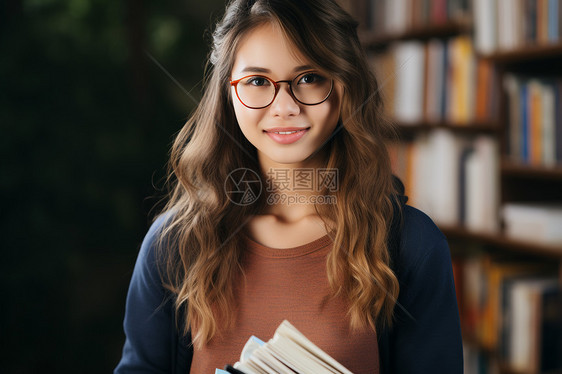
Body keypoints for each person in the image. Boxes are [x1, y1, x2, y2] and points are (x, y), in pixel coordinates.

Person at [114, 0, 463, 373]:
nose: (284, 106)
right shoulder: (174, 243)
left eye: (310, 78)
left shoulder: (412, 245)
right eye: (258, 82)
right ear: (228, 94)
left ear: (345, 87)